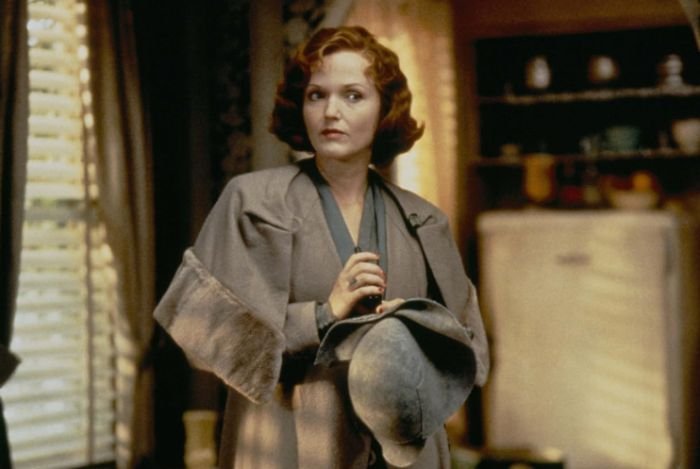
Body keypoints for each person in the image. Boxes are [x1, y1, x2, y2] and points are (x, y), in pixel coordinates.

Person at [154, 25, 489, 468]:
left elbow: (469, 352)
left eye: (353, 95)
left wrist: (416, 324)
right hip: (288, 440)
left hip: (404, 450)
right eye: (317, 95)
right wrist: (324, 315)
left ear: (384, 109)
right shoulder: (251, 203)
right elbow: (203, 335)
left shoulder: (424, 220)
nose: (332, 111)